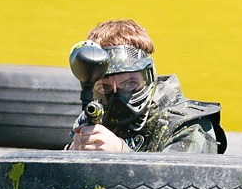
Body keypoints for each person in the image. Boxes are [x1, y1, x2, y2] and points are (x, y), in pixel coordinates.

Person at [66, 19, 227, 153]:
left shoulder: (188, 126)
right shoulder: (92, 118)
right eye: (104, 88)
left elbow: (176, 187)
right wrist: (72, 156)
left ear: (149, 76)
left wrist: (121, 154)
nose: (117, 97)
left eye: (130, 83)